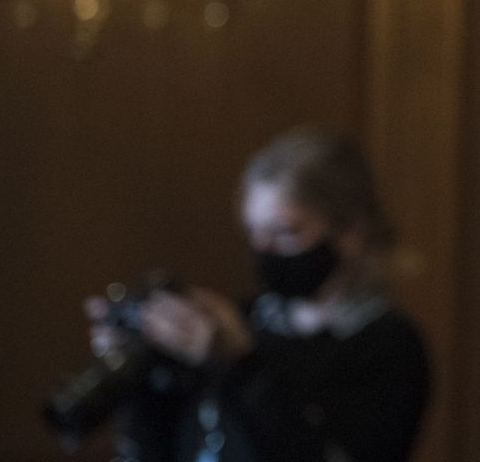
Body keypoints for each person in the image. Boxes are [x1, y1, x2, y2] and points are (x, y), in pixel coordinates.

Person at [87, 126, 430, 462]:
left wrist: (240, 366)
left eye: (283, 232)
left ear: (349, 233)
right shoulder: (242, 319)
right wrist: (138, 376)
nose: (263, 249)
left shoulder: (388, 347)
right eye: (254, 231)